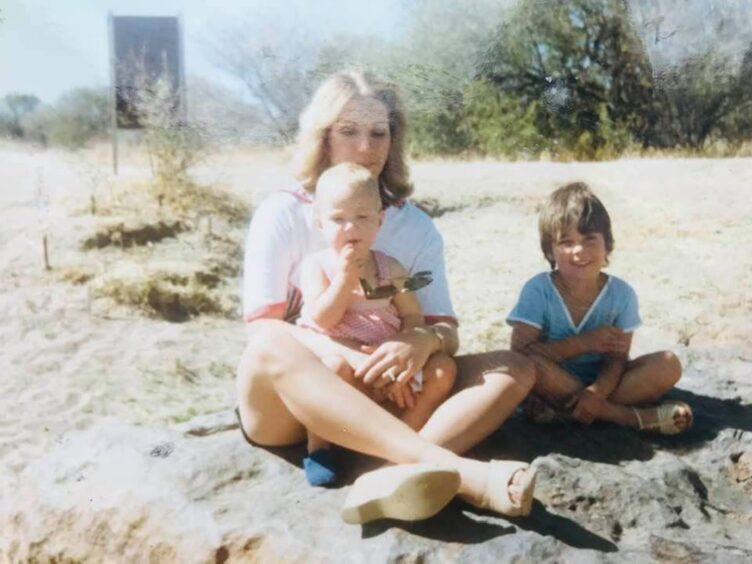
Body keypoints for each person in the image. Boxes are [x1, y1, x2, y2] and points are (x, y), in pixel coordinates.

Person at [236, 70, 538, 523]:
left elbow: (445, 330)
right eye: (349, 131)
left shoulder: (414, 226)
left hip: (391, 393)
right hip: (295, 407)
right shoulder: (283, 212)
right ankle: (456, 472)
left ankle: (383, 475)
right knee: (270, 344)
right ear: (322, 138)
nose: (366, 148)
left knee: (513, 370)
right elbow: (262, 327)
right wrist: (351, 355)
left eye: (379, 133)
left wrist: (421, 342)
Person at [297, 162, 457, 486]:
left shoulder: (392, 269)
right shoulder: (318, 267)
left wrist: (403, 355)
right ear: (319, 222)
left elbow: (413, 316)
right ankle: (319, 445)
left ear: (380, 221)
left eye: (363, 217)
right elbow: (322, 319)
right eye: (338, 219)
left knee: (443, 371)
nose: (351, 228)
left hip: (388, 362)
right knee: (328, 370)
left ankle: (400, 444)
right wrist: (345, 279)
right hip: (345, 366)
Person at [507, 182, 693, 433]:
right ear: (549, 249)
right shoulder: (538, 290)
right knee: (529, 367)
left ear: (607, 243)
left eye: (589, 239)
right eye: (566, 241)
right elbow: (520, 355)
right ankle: (627, 417)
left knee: (668, 364)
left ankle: (571, 413)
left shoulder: (621, 295)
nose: (579, 250)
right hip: (553, 382)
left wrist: (596, 392)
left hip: (608, 386)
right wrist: (584, 343)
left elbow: (617, 358)